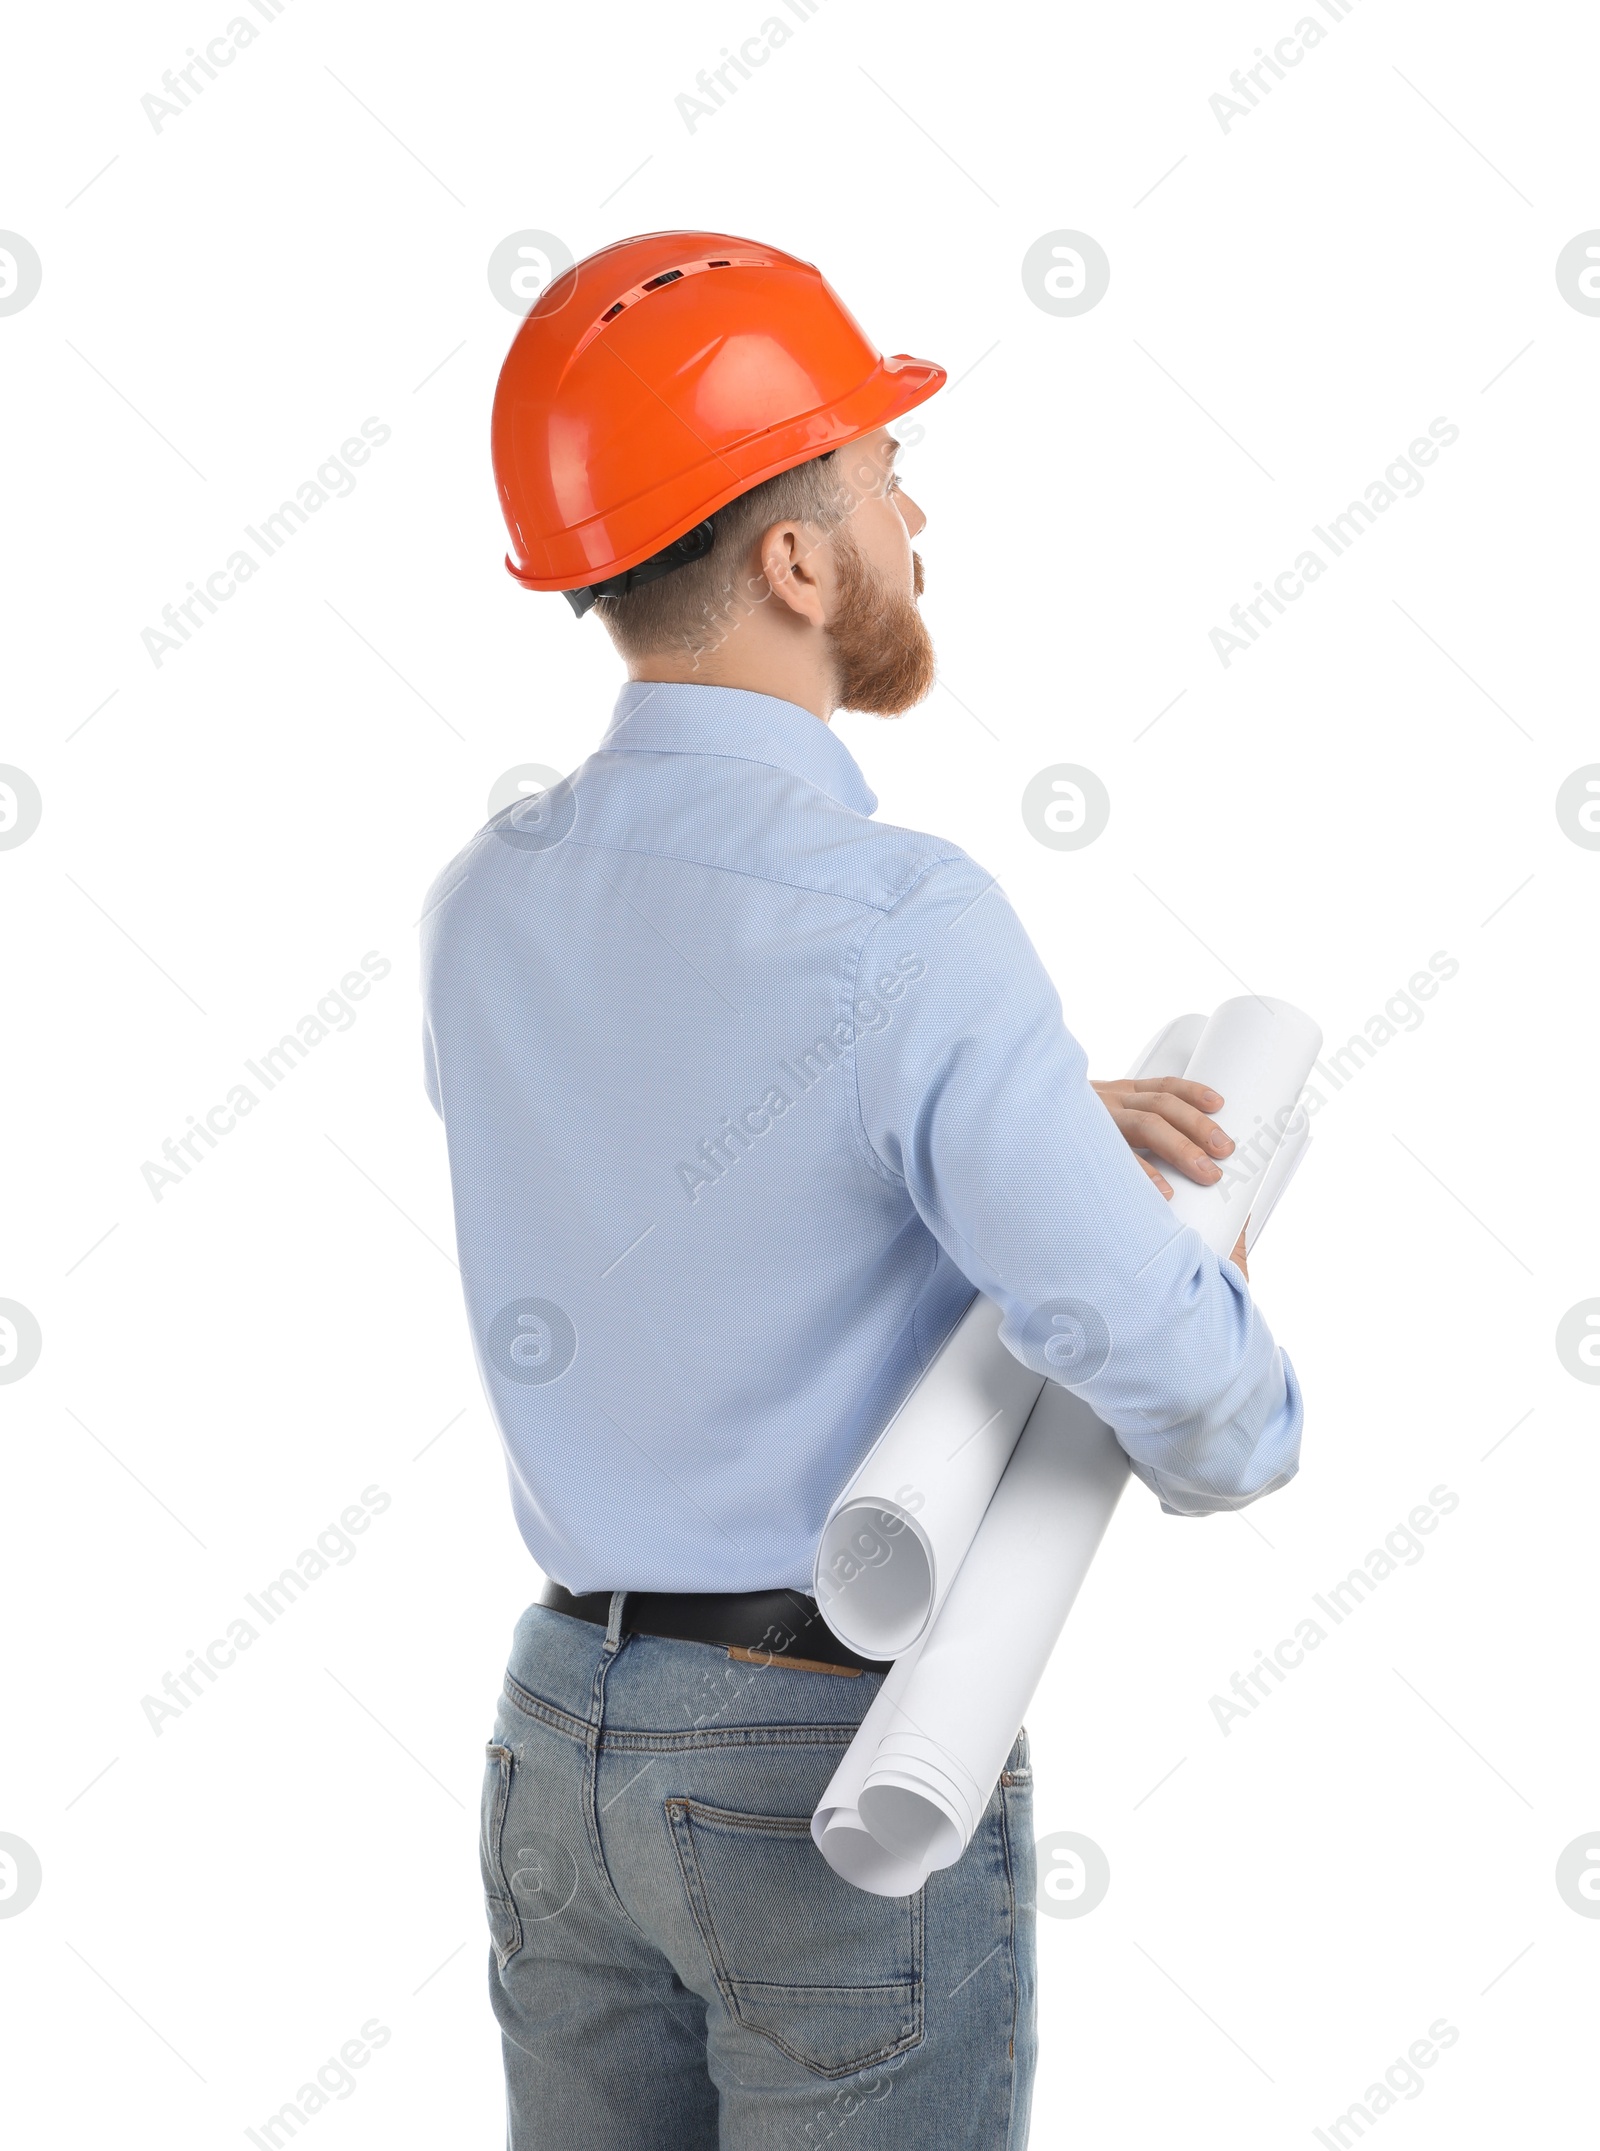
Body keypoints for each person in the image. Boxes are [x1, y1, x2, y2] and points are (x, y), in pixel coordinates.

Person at [419, 231, 1301, 2149]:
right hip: (824, 1755)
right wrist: (1242, 1376)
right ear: (797, 561)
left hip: (557, 1730)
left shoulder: (486, 904)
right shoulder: (904, 924)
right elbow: (1188, 1397)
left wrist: (1019, 1107)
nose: (917, 511)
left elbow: (657, 1138)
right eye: (883, 475)